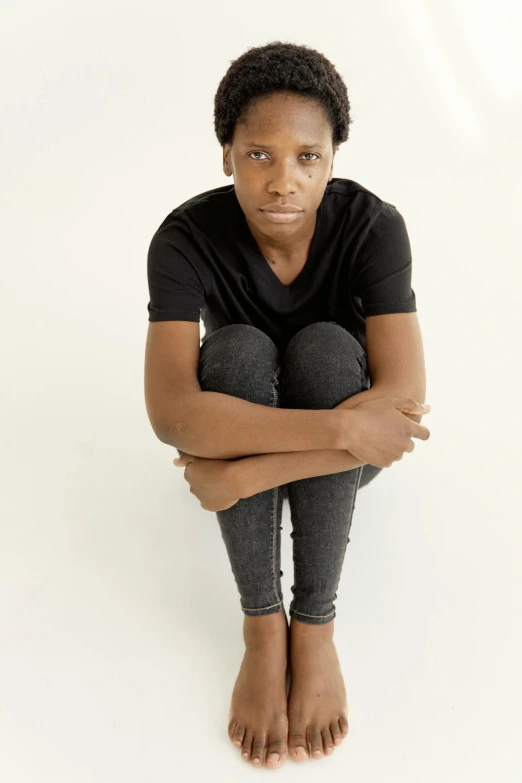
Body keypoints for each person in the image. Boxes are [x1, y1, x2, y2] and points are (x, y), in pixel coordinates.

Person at [144, 41, 431, 769]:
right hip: (325, 437)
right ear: (226, 155)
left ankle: (315, 622)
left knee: (331, 349)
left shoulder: (373, 226)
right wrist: (341, 428)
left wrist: (242, 473)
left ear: (333, 157)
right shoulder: (183, 238)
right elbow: (175, 412)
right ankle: (262, 625)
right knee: (236, 349)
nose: (282, 182)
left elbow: (400, 404)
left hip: (285, 453)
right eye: (258, 155)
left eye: (307, 156)